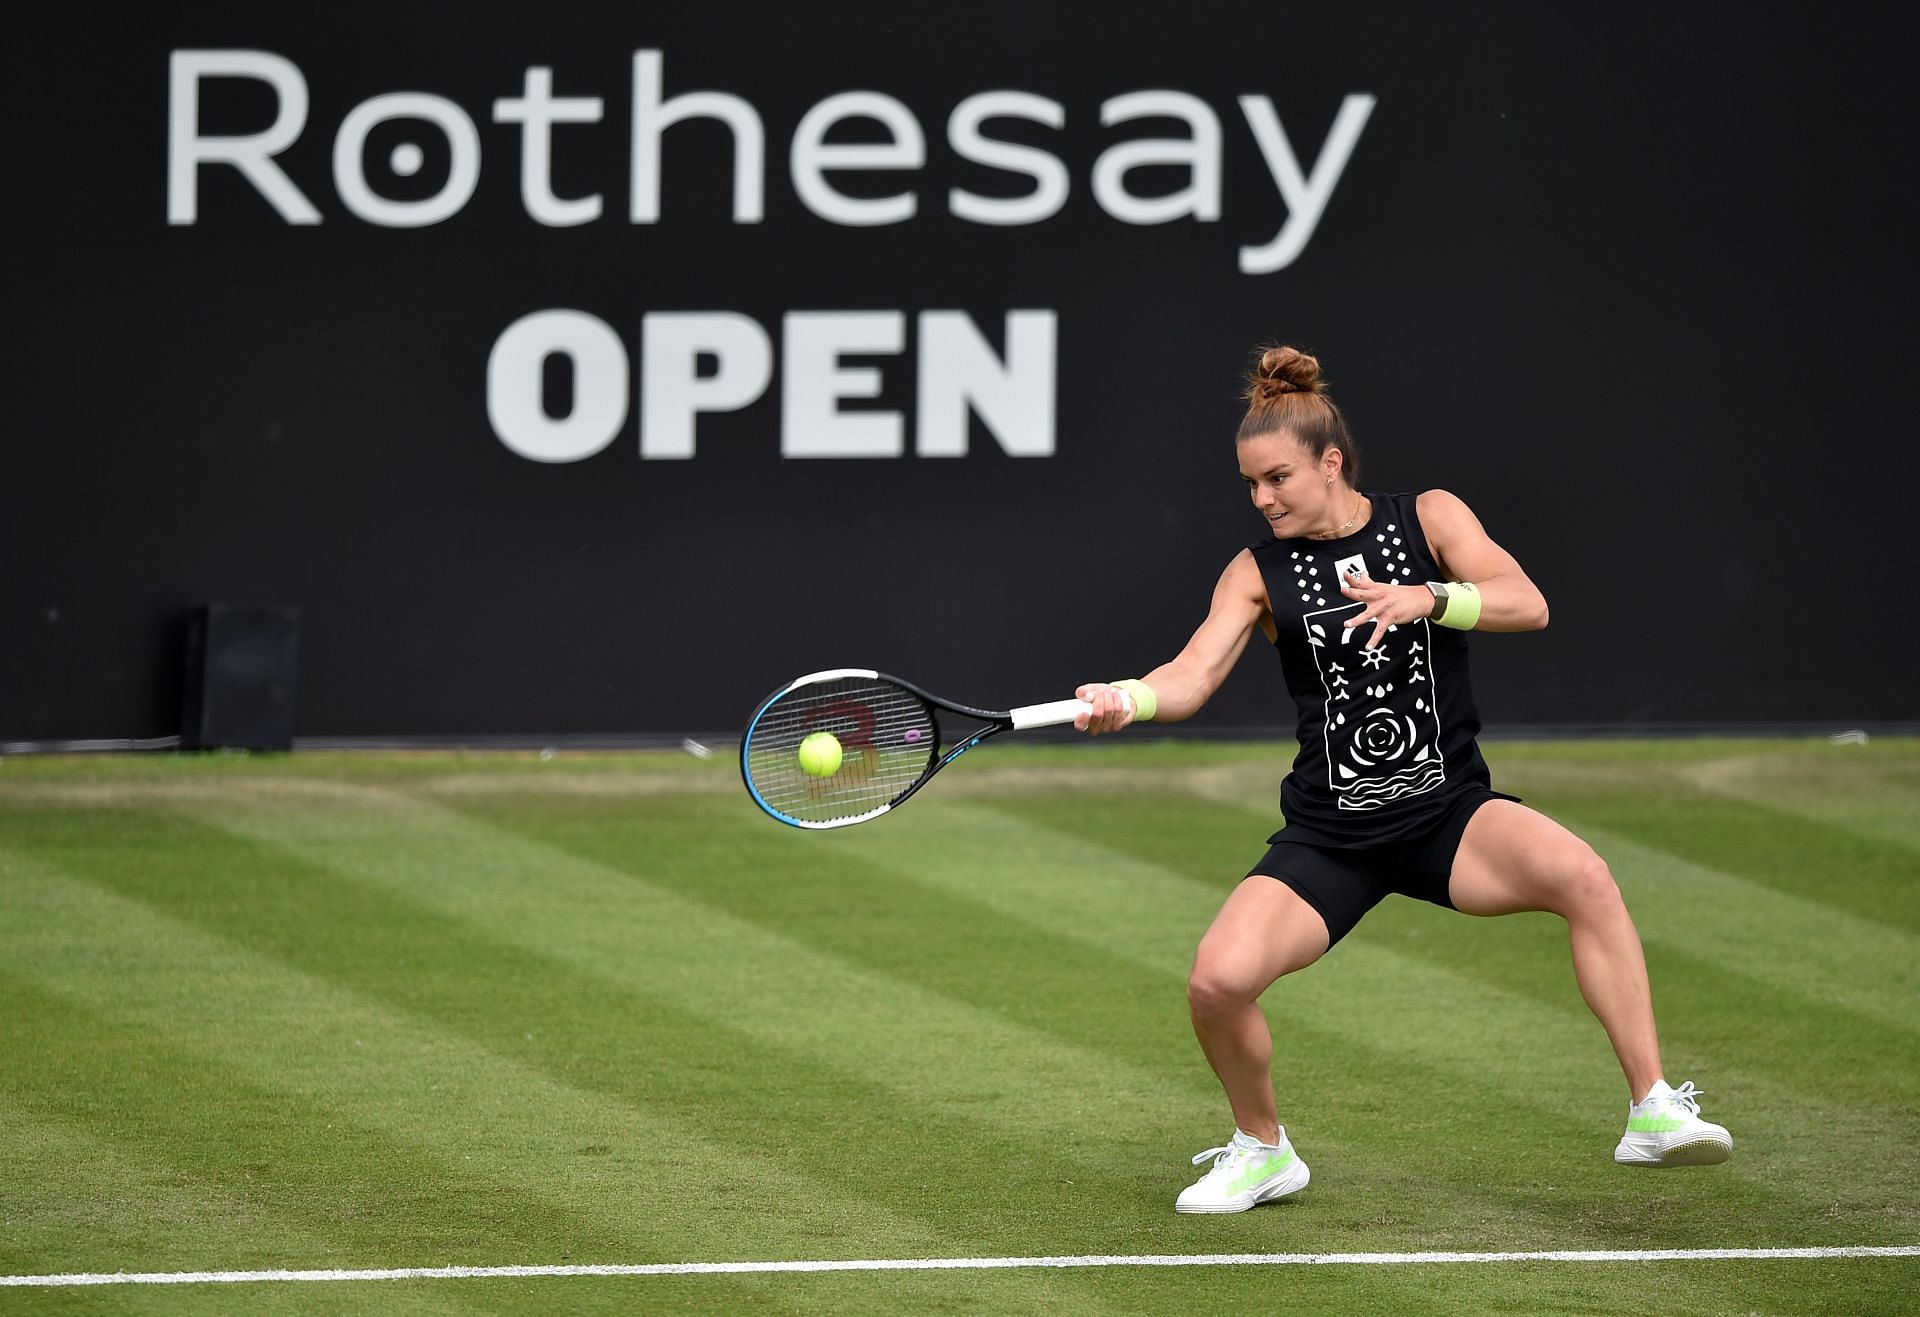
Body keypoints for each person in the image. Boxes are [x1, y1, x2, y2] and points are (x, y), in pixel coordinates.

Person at [1073, 345, 1732, 1214]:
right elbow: (1191, 677)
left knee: (1583, 875)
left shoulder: (1427, 518)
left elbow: (1525, 600)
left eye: (1277, 478)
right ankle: (1263, 1149)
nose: (1263, 498)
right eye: (1250, 485)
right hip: (1332, 836)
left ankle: (1652, 1107)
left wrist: (1432, 596)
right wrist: (1124, 696)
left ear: (1330, 461)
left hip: (1448, 817)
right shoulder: (1256, 573)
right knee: (1216, 983)